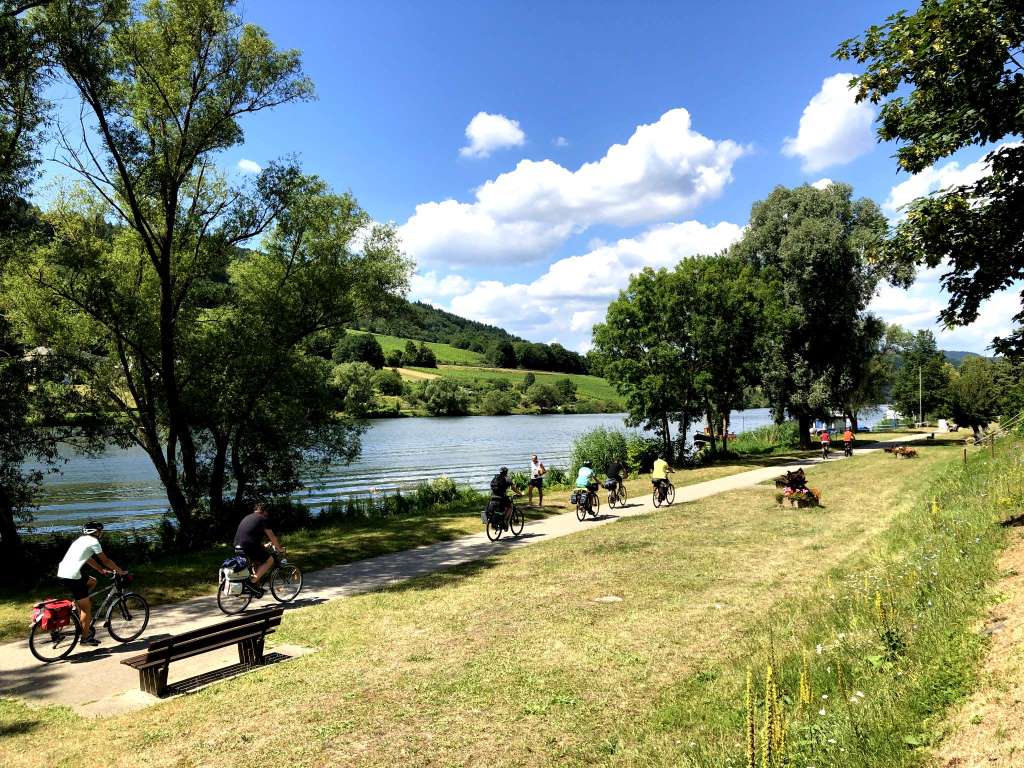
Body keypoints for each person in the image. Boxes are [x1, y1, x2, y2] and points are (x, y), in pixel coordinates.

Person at [56, 521, 126, 646]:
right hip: (73, 577)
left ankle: (79, 603)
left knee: (93, 581)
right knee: (86, 610)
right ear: (95, 532)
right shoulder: (94, 542)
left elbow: (88, 558)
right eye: (100, 531)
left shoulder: (80, 540)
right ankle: (85, 638)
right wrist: (120, 571)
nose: (101, 533)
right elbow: (106, 560)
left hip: (63, 573)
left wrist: (100, 570)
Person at [233, 504, 285, 598]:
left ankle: (255, 588)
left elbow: (250, 536)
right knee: (270, 560)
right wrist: (279, 548)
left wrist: (263, 546)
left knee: (257, 561)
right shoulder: (263, 518)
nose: (267, 514)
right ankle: (252, 583)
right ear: (264, 511)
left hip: (237, 546)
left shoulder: (248, 517)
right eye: (267, 512)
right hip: (248, 546)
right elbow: (272, 536)